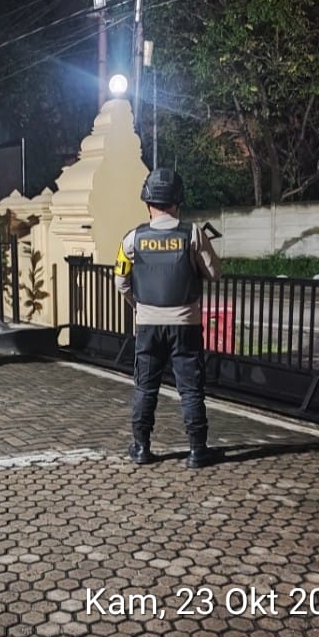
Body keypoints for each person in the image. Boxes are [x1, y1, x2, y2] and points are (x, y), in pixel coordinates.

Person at [114, 168, 221, 468]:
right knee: (190, 389)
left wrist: (138, 307)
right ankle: (197, 451)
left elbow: (120, 281)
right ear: (178, 200)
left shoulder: (132, 238)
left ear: (147, 202)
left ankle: (141, 448)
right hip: (186, 324)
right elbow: (215, 273)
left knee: (145, 387)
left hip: (148, 325)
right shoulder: (194, 234)